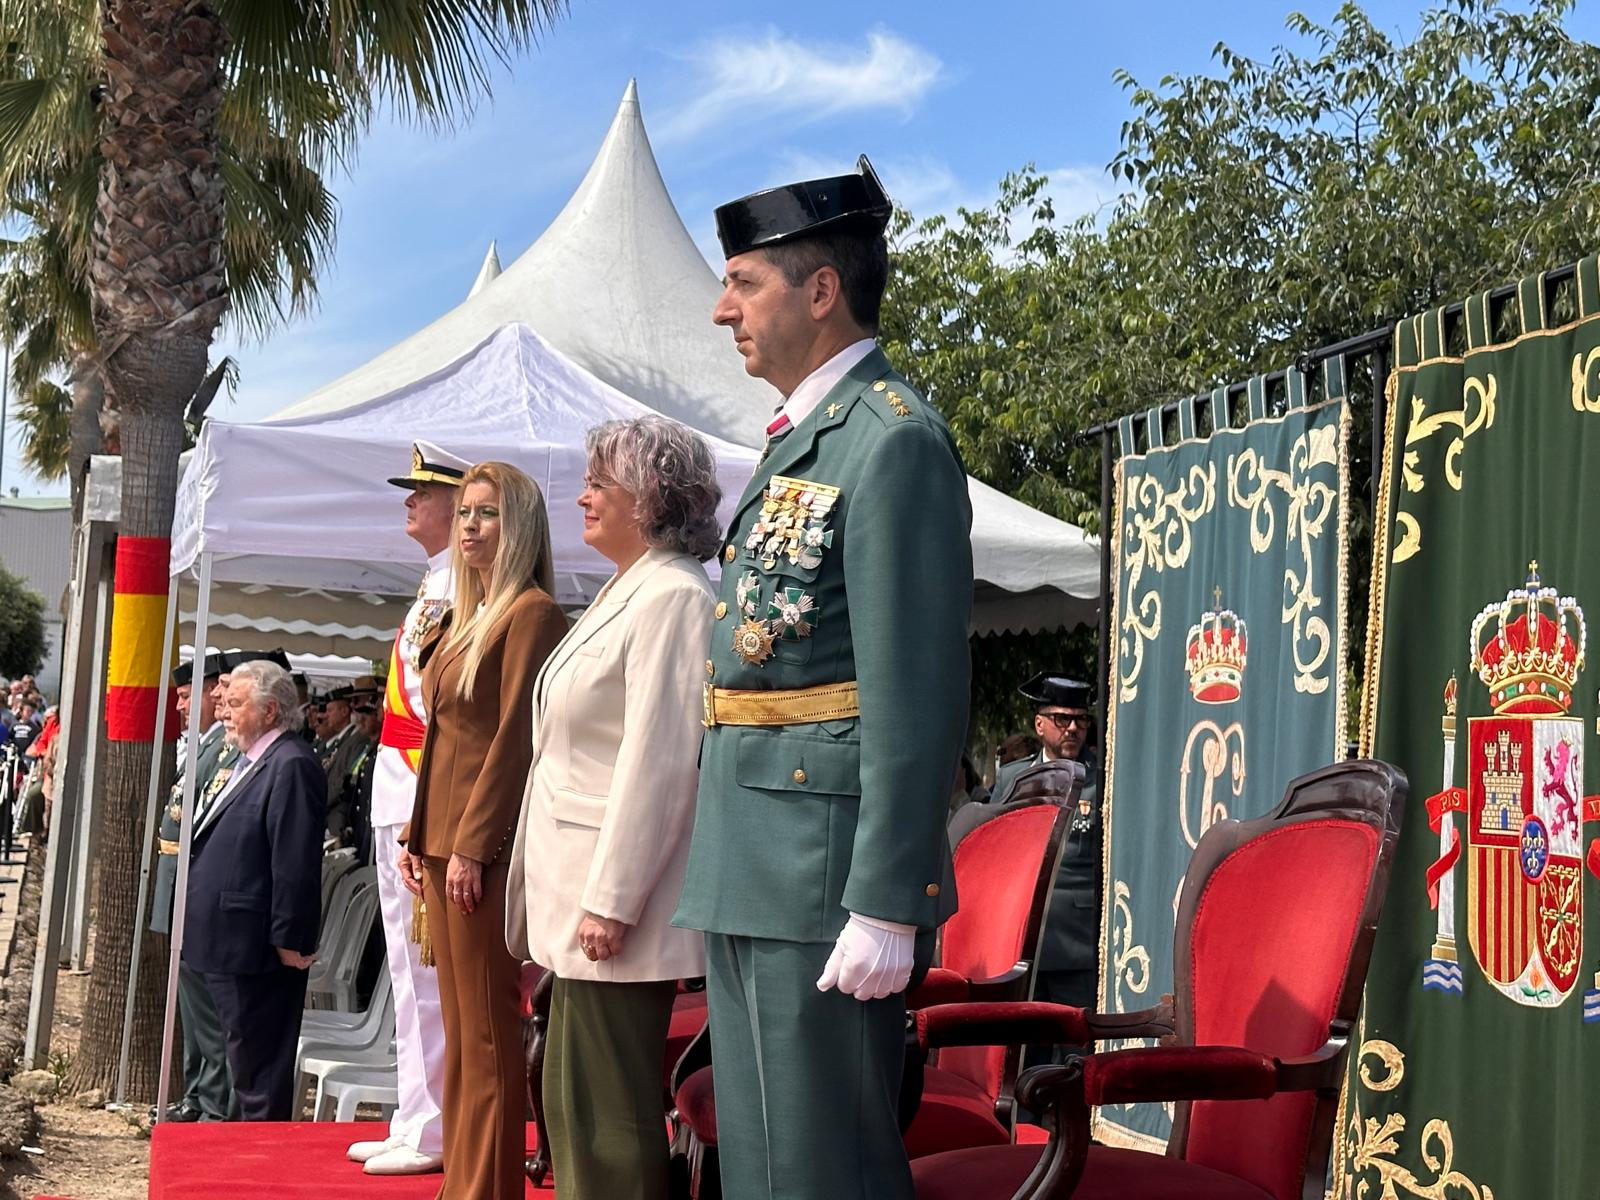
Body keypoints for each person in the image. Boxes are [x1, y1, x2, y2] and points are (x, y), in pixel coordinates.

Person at [674, 157, 973, 1200]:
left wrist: (890, 900)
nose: (722, 310)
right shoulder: (808, 443)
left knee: (822, 1167)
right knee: (763, 1166)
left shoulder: (890, 443)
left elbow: (916, 688)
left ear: (820, 290)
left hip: (822, 869)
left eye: (743, 283)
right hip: (756, 848)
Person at [506, 417, 719, 1200]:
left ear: (652, 496)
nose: (583, 496)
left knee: (608, 1125)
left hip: (612, 905)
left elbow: (660, 760)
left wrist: (613, 899)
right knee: (576, 1113)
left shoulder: (674, 595)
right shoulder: (633, 587)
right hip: (581, 894)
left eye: (601, 482)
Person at [399, 461, 567, 1197]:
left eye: (487, 512)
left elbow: (513, 741)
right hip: (441, 844)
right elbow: (442, 738)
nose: (470, 525)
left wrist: (472, 845)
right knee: (462, 1037)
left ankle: (487, 1189)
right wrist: (417, 836)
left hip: (480, 850)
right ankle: (461, 1184)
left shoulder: (530, 613)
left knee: (489, 1034)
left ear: (519, 524)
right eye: (464, 511)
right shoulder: (469, 616)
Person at [347, 442, 470, 1177]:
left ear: (457, 505)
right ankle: (413, 1116)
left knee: (425, 974)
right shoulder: (435, 583)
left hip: (422, 791)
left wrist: (426, 814)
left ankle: (433, 1129)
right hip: (401, 788)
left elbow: (442, 715)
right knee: (405, 969)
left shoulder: (462, 588)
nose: (410, 501)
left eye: (422, 491)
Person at [183, 659, 326, 1121]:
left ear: (269, 711)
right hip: (227, 941)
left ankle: (261, 1158)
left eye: (235, 703)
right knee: (243, 1068)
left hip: (257, 949)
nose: (223, 711)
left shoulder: (291, 763)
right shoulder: (251, 760)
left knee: (260, 1076)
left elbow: (294, 860)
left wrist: (289, 938)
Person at [153, 652, 240, 1124]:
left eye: (188, 696)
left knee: (204, 1008)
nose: (181, 706)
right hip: (177, 880)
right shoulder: (204, 744)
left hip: (194, 883)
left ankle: (211, 1101)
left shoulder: (223, 747)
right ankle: (195, 1092)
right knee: (189, 1004)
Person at [990, 674, 1101, 1014]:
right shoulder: (1013, 779)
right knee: (1021, 1039)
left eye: (1081, 720)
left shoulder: (1102, 779)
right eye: (1062, 719)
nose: (1073, 728)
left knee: (1075, 1040)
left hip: (1077, 943)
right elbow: (992, 852)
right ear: (1039, 724)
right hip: (1020, 937)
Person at [320, 686, 371, 842]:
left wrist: (320, 801)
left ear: (344, 711)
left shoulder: (359, 738)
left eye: (330, 710)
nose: (326, 715)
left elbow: (346, 780)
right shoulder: (345, 739)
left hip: (341, 820)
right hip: (331, 818)